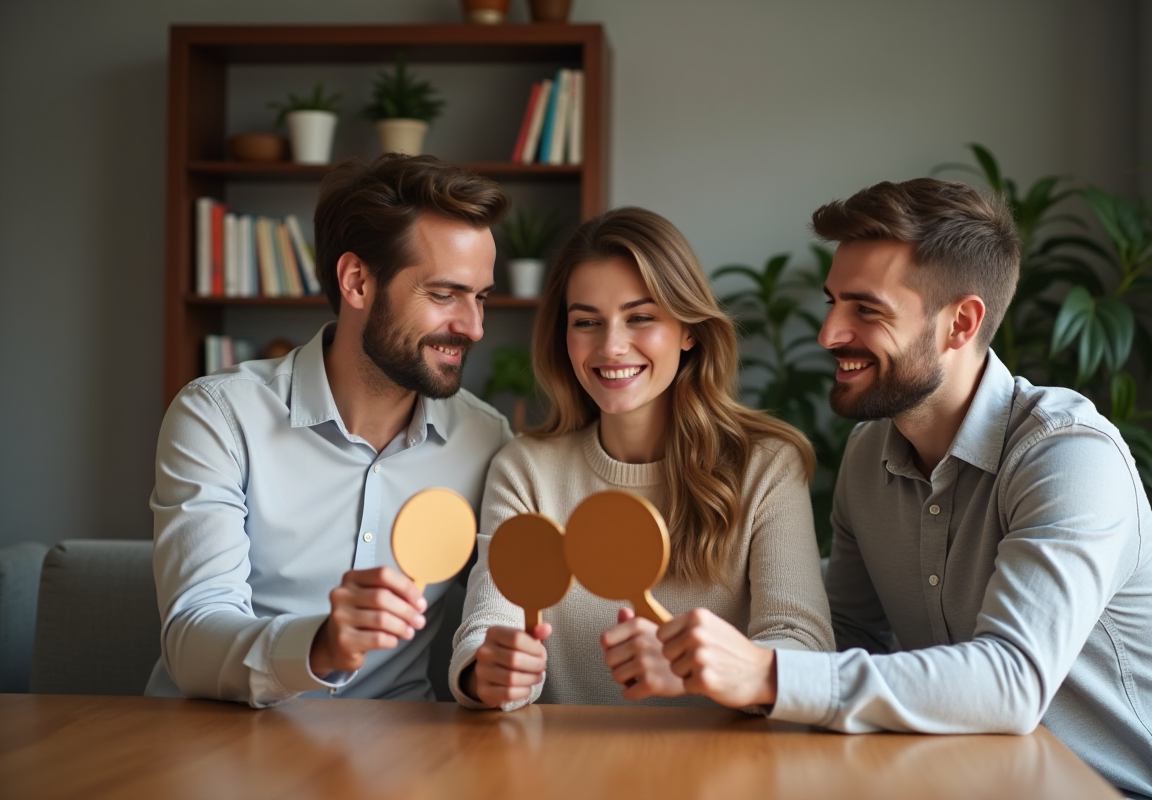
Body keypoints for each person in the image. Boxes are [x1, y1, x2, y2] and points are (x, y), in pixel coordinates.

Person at [648, 178, 1152, 800]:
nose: (829, 333)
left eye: (866, 309)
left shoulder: (1068, 457)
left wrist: (767, 675)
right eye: (832, 302)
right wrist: (727, 651)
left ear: (960, 323)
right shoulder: (867, 457)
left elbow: (1011, 682)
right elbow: (848, 635)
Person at [146, 154, 513, 707]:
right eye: (444, 295)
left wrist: (496, 668)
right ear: (357, 281)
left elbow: (495, 614)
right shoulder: (218, 417)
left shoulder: (487, 441)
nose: (474, 327)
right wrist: (318, 646)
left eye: (480, 297)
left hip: (399, 762)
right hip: (220, 746)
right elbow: (192, 638)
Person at [449, 206, 834, 711]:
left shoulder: (765, 466)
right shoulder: (526, 469)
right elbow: (487, 624)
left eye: (641, 318)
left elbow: (804, 645)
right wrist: (487, 671)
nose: (611, 346)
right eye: (586, 321)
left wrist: (700, 670)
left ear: (689, 329)